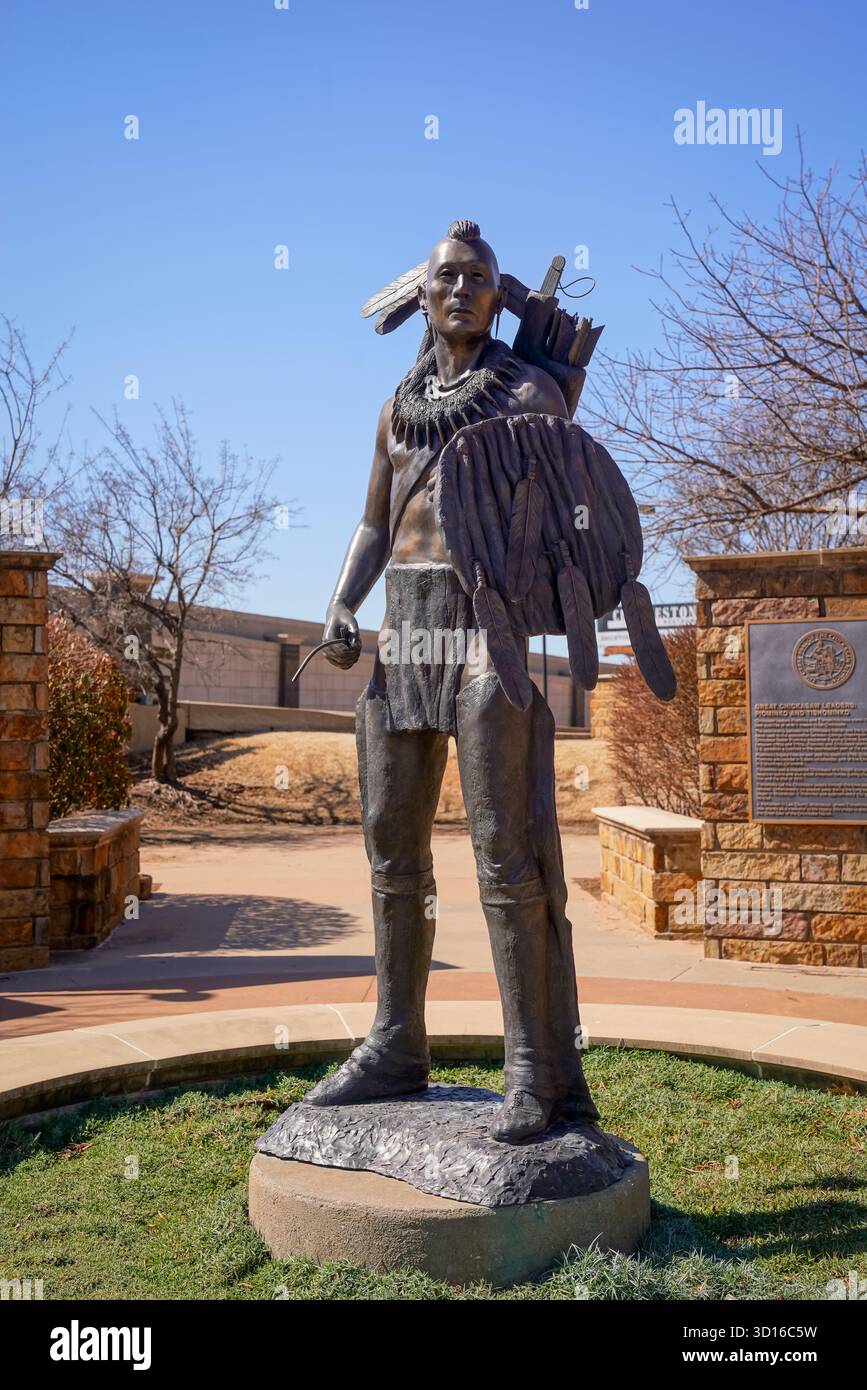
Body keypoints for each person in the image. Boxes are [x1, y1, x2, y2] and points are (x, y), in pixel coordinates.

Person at [305, 220, 599, 1141]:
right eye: (448, 277)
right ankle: (396, 1041)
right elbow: (372, 523)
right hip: (407, 632)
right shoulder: (395, 409)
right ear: (421, 295)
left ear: (498, 293)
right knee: (391, 851)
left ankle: (532, 1069)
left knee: (504, 858)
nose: (463, 289)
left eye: (480, 277)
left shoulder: (527, 390)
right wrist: (343, 602)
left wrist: (562, 377)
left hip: (490, 627)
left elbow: (562, 485)